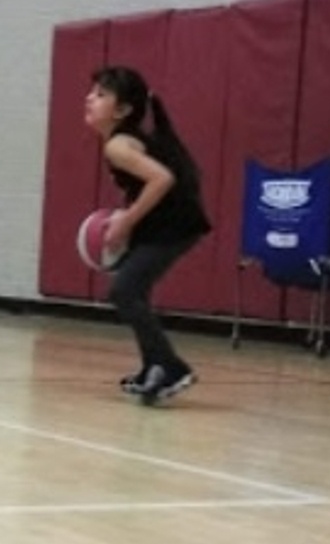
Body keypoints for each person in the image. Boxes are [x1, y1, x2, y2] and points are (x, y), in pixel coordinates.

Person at [84, 65, 211, 402]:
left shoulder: (118, 146)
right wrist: (129, 216)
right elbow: (144, 187)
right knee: (132, 291)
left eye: (100, 95)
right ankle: (152, 368)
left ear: (123, 110)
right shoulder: (122, 141)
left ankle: (171, 366)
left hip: (175, 224)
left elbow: (162, 179)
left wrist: (125, 223)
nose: (90, 99)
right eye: (92, 92)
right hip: (166, 222)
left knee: (124, 292)